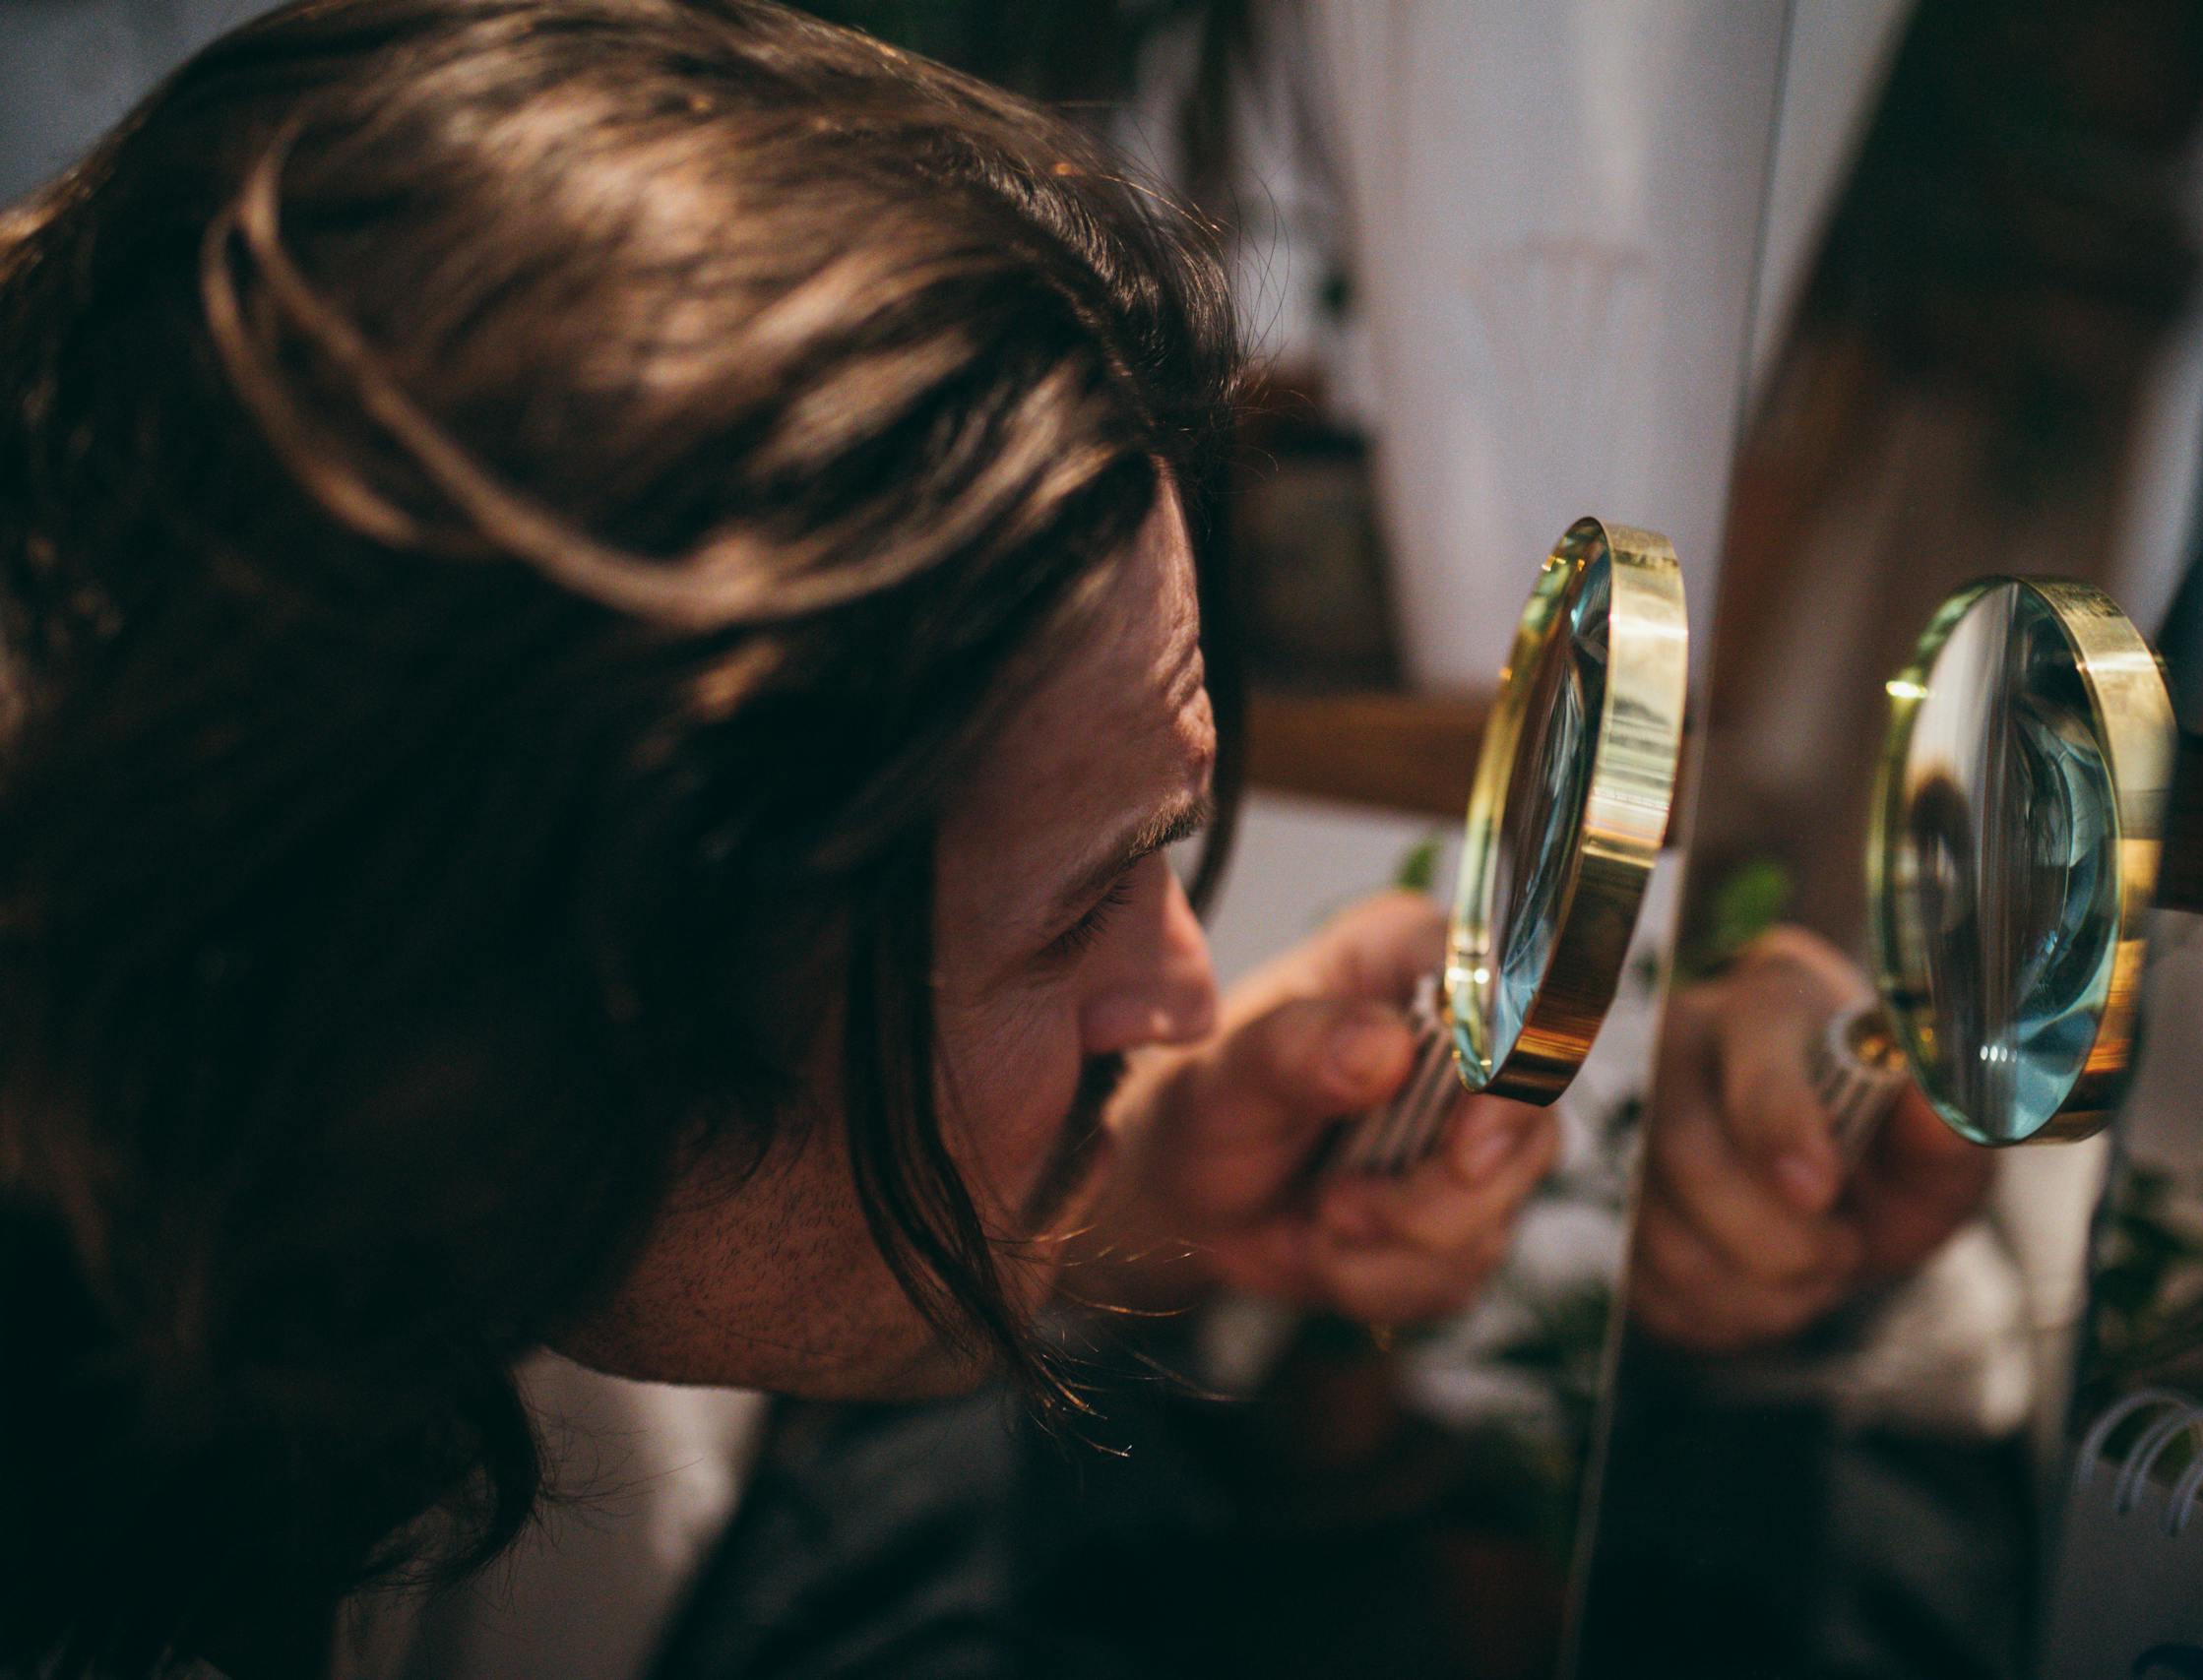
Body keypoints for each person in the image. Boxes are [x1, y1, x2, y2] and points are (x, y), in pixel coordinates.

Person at [0, 4, 1989, 1677]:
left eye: (1164, 852)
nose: (1188, 990)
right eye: (1070, 917)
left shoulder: (317, 1199)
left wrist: (1145, 1211)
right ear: (543, 988)